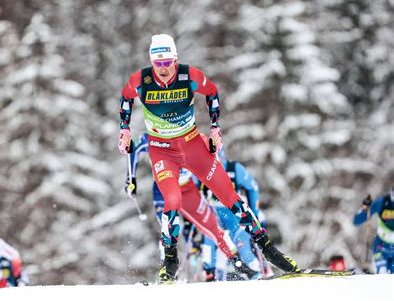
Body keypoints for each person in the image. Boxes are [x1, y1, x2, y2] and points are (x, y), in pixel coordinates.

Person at [118, 33, 299, 283]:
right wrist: (124, 130)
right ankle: (169, 263)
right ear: (152, 62)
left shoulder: (188, 76)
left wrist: (215, 129)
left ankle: (269, 250)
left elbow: (212, 92)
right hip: (162, 150)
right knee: (171, 200)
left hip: (192, 146)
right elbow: (126, 98)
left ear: (175, 59)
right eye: (157, 63)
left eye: (167, 62)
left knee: (229, 196)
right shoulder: (141, 80)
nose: (163, 69)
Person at [126, 132, 256, 281]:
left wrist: (207, 184)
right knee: (168, 228)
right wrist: (131, 179)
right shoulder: (152, 136)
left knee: (213, 228)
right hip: (163, 189)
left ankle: (240, 265)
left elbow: (211, 156)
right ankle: (166, 273)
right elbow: (133, 147)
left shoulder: (191, 134)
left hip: (187, 188)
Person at [199, 150, 274, 281]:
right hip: (213, 214)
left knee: (244, 249)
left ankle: (262, 272)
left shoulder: (234, 169)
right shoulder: (199, 170)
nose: (216, 164)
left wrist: (253, 212)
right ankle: (211, 276)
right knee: (210, 244)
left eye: (218, 160)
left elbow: (253, 187)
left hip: (234, 215)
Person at [353, 187, 394, 274]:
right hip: (381, 247)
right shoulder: (381, 202)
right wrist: (365, 208)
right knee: (382, 274)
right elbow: (357, 221)